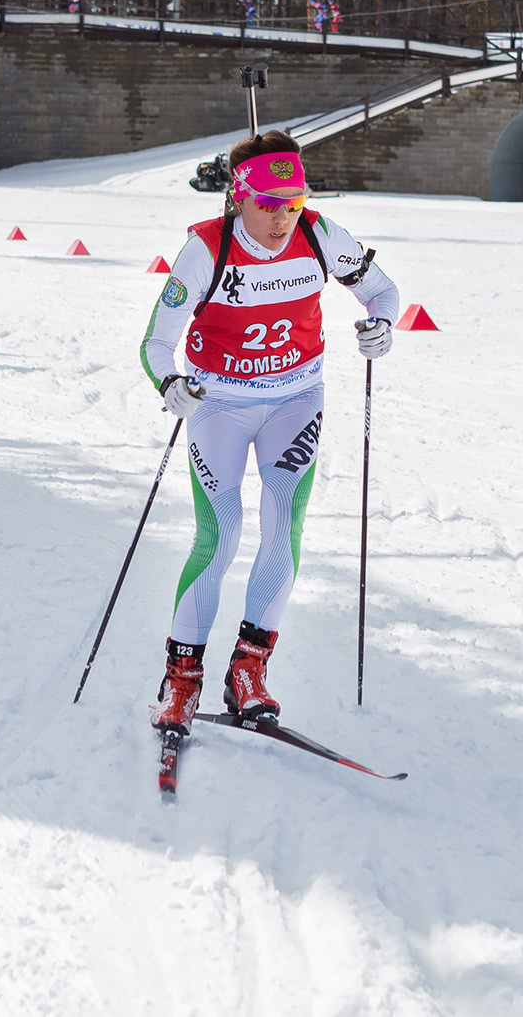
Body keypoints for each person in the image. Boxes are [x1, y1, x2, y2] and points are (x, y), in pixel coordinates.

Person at [139, 128, 398, 737]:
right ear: (239, 197)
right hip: (219, 404)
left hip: (295, 399)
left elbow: (380, 291)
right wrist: (169, 385)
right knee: (220, 534)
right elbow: (156, 340)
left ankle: (248, 671)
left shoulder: (320, 235)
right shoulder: (206, 249)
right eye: (268, 204)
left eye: (294, 202)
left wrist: (380, 325)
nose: (282, 218)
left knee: (283, 522)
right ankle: (182, 678)